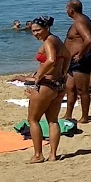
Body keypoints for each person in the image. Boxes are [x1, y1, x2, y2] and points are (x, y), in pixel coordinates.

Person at [25, 16, 67, 163]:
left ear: (46, 28)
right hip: (59, 85)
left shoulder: (48, 41)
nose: (35, 34)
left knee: (33, 119)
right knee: (53, 121)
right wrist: (63, 74)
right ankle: (53, 155)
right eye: (33, 31)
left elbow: (51, 60)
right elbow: (67, 56)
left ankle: (38, 155)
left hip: (47, 85)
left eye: (38, 30)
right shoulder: (57, 40)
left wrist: (38, 77)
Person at [62, 0, 91, 124]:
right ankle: (68, 114)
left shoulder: (80, 22)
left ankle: (85, 117)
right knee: (70, 88)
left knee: (82, 90)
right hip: (73, 60)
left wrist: (80, 54)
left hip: (81, 59)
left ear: (71, 10)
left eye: (66, 9)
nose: (66, 11)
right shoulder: (81, 20)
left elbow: (88, 39)